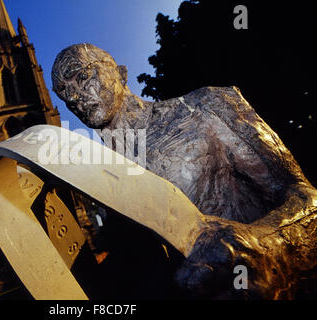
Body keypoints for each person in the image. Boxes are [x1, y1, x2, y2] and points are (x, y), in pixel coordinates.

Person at [51, 43, 317, 298]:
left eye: (84, 76)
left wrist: (268, 246)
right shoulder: (107, 177)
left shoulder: (206, 106)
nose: (74, 97)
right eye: (63, 93)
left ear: (121, 73)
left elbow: (307, 198)